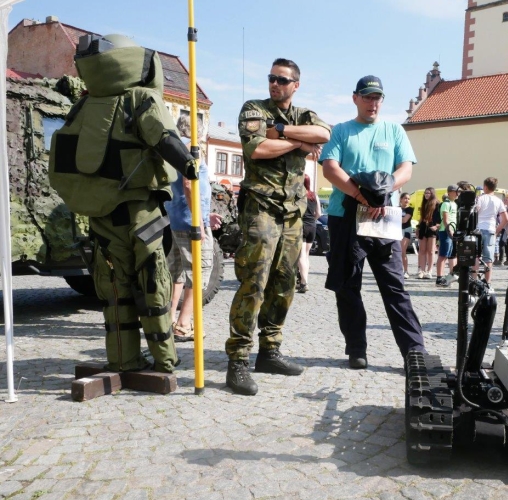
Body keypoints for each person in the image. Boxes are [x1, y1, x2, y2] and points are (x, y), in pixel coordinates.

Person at [48, 34, 199, 373]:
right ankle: (165, 359)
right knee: (152, 282)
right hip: (142, 211)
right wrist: (189, 163)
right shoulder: (141, 98)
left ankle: (123, 358)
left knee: (114, 288)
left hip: (101, 212)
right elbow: (163, 137)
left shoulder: (86, 104)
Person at [225, 58, 331, 395]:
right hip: (261, 208)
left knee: (285, 282)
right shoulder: (254, 108)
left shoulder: (302, 115)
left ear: (295, 85)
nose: (275, 84)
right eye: (272, 78)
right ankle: (238, 359)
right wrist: (300, 144)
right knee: (254, 280)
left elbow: (324, 134)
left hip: (292, 213)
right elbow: (258, 149)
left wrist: (284, 131)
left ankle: (269, 351)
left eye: (282, 80)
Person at [321, 75, 427, 369]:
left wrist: (384, 190)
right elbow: (330, 169)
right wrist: (360, 194)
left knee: (394, 287)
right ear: (355, 98)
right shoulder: (341, 131)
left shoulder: (393, 130)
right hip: (346, 217)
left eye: (377, 97)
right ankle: (356, 348)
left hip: (382, 218)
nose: (373, 103)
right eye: (367, 97)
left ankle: (414, 351)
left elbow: (406, 168)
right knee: (347, 287)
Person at [164, 117, 221, 342]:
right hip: (190, 223)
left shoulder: (173, 146)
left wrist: (204, 213)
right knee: (199, 271)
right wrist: (199, 219)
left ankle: (168, 320)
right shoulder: (191, 149)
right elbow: (189, 184)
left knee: (176, 272)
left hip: (177, 219)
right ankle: (184, 324)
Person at [473, 177, 508, 284]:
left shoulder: (480, 198)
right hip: (490, 229)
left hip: (478, 229)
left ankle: (474, 279)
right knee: (488, 258)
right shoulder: (498, 201)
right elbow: (506, 219)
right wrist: (497, 231)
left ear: (485, 187)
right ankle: (487, 282)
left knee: (476, 256)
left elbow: (474, 213)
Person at [297, 174, 322, 294]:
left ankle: (304, 282)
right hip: (312, 226)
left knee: (301, 255)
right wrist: (312, 219)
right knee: (306, 255)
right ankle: (302, 279)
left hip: (300, 226)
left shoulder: (298, 195)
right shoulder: (314, 195)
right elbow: (319, 213)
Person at [436, 185, 458, 287]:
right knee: (443, 255)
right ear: (449, 192)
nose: (457, 193)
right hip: (446, 231)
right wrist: (449, 230)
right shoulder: (446, 203)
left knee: (448, 254)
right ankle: (439, 277)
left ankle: (448, 276)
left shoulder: (454, 204)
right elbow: (445, 219)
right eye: (455, 191)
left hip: (451, 231)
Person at [416, 187, 441, 279]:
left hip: (432, 228)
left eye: (428, 193)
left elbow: (441, 218)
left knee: (430, 251)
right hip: (423, 227)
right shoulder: (424, 203)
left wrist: (437, 226)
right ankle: (421, 270)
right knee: (422, 250)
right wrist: (418, 227)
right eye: (425, 193)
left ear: (432, 194)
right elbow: (422, 217)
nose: (426, 195)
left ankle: (429, 270)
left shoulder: (437, 204)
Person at [400, 192, 414, 279]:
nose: (407, 200)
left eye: (408, 198)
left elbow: (405, 220)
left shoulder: (410, 209)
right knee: (396, 252)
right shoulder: (397, 208)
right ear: (400, 199)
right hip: (397, 230)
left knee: (403, 251)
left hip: (406, 230)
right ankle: (398, 270)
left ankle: (405, 271)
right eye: (405, 198)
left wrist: (395, 217)